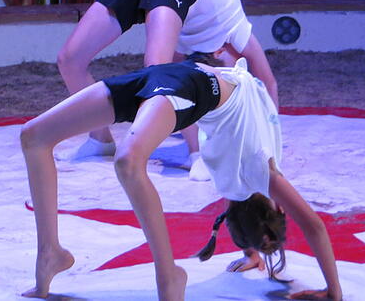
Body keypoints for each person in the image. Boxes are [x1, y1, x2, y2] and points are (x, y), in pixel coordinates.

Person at [20, 53, 342, 300]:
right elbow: (309, 223)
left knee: (116, 158)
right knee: (36, 137)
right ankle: (52, 252)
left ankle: (167, 275)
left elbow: (299, 222)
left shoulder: (254, 174)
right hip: (177, 82)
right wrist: (332, 292)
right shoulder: (258, 173)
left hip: (179, 82)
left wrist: (256, 250)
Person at [56, 0, 278, 174]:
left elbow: (175, 84)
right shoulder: (237, 33)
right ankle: (102, 139)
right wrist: (271, 143)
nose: (226, 73)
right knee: (158, 70)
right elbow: (269, 83)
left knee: (71, 60)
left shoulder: (187, 50)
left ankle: (194, 152)